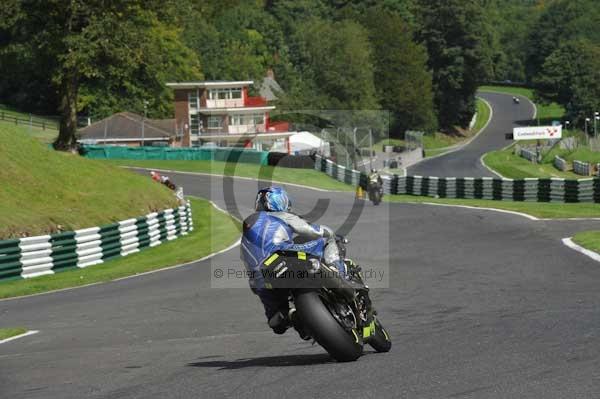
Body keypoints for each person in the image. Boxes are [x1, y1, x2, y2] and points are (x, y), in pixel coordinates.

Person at [240, 186, 347, 336]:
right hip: (284, 256)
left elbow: (246, 260)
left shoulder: (247, 227)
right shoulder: (281, 215)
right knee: (327, 240)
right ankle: (339, 275)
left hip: (261, 279)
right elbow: (311, 231)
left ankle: (293, 316)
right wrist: (330, 232)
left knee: (276, 322)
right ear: (279, 201)